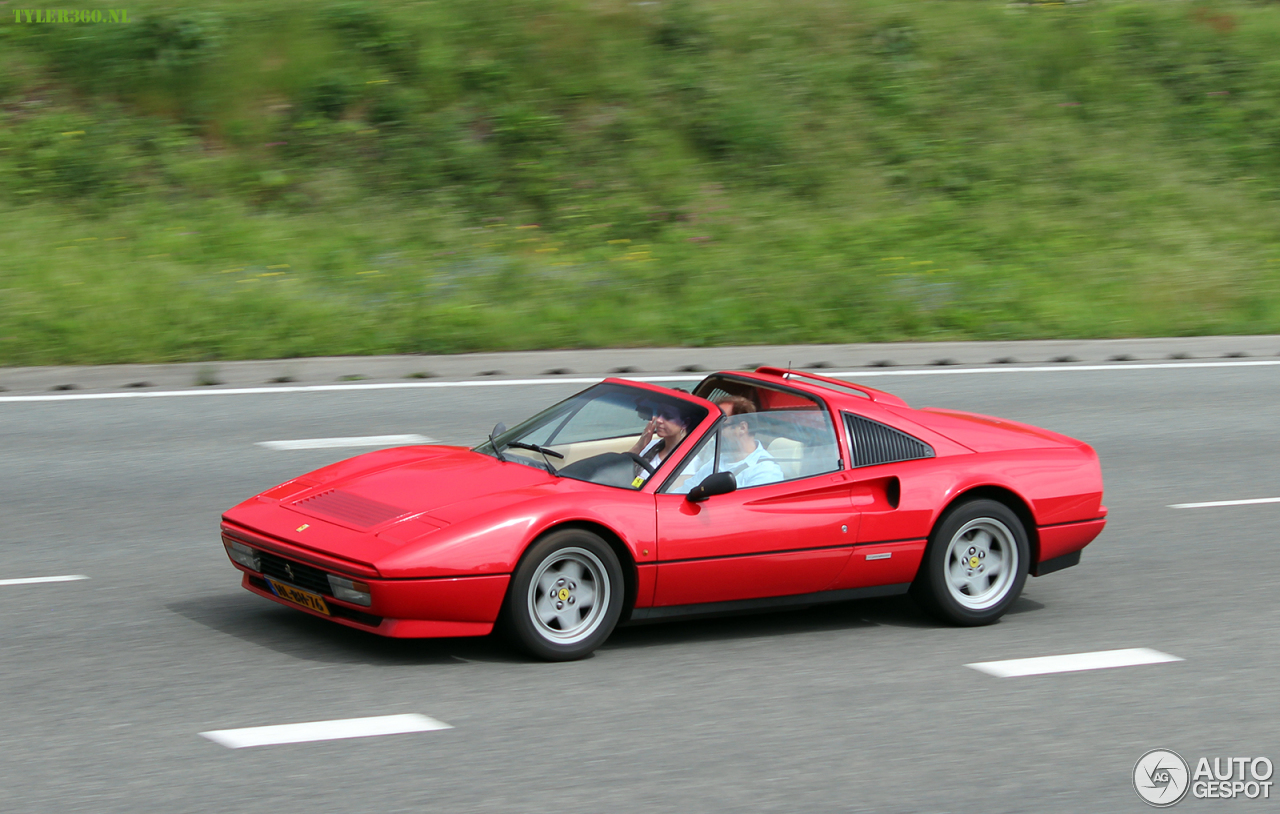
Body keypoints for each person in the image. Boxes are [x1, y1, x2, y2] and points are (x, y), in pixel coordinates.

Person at [672, 397, 784, 492]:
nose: (715, 433)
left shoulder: (766, 471)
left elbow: (748, 515)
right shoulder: (718, 460)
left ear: (742, 428)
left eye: (720, 426)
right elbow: (685, 490)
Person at [628, 402, 690, 476]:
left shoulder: (689, 461)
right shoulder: (652, 445)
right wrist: (640, 445)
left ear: (685, 423)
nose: (659, 420)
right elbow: (621, 468)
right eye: (658, 414)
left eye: (668, 416)